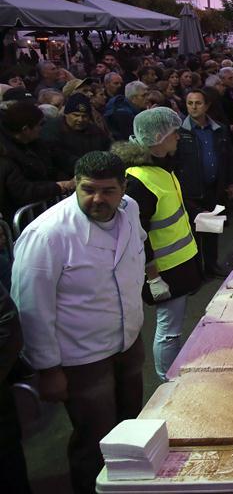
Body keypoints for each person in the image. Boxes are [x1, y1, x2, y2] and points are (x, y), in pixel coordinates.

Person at [11, 151, 147, 494]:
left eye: (107, 191)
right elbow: (31, 307)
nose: (97, 199)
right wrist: (49, 368)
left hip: (128, 339)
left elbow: (136, 251)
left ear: (123, 188)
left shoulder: (130, 209)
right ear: (75, 184)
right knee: (95, 436)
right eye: (88, 189)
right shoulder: (47, 235)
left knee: (132, 421)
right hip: (82, 355)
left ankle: (133, 485)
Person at [113, 108, 202, 382]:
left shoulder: (161, 168)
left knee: (174, 324)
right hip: (164, 270)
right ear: (157, 138)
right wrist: (152, 276)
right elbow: (137, 233)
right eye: (173, 132)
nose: (178, 136)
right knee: (169, 328)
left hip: (180, 262)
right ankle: (167, 379)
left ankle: (173, 369)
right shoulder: (139, 180)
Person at [175, 90, 233, 278]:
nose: (193, 107)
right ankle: (195, 273)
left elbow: (229, 157)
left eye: (198, 103)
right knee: (193, 236)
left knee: (212, 232)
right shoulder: (180, 132)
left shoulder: (218, 129)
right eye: (190, 103)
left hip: (214, 189)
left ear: (207, 105)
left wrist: (231, 182)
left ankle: (211, 266)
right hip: (191, 192)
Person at [42, 93, 111, 175]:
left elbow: (107, 149)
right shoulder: (51, 130)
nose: (80, 120)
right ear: (66, 114)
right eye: (76, 115)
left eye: (84, 116)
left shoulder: (95, 131)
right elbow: (58, 157)